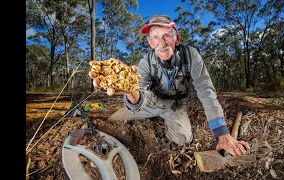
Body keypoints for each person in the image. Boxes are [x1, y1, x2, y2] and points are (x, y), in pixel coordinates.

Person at [89, 14, 249, 156]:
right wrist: (132, 93)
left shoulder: (191, 55)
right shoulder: (145, 62)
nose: (162, 43)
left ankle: (170, 123)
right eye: (156, 37)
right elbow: (140, 91)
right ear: (150, 42)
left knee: (183, 140)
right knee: (111, 122)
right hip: (150, 102)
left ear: (177, 38)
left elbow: (205, 89)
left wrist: (222, 132)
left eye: (167, 35)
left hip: (176, 106)